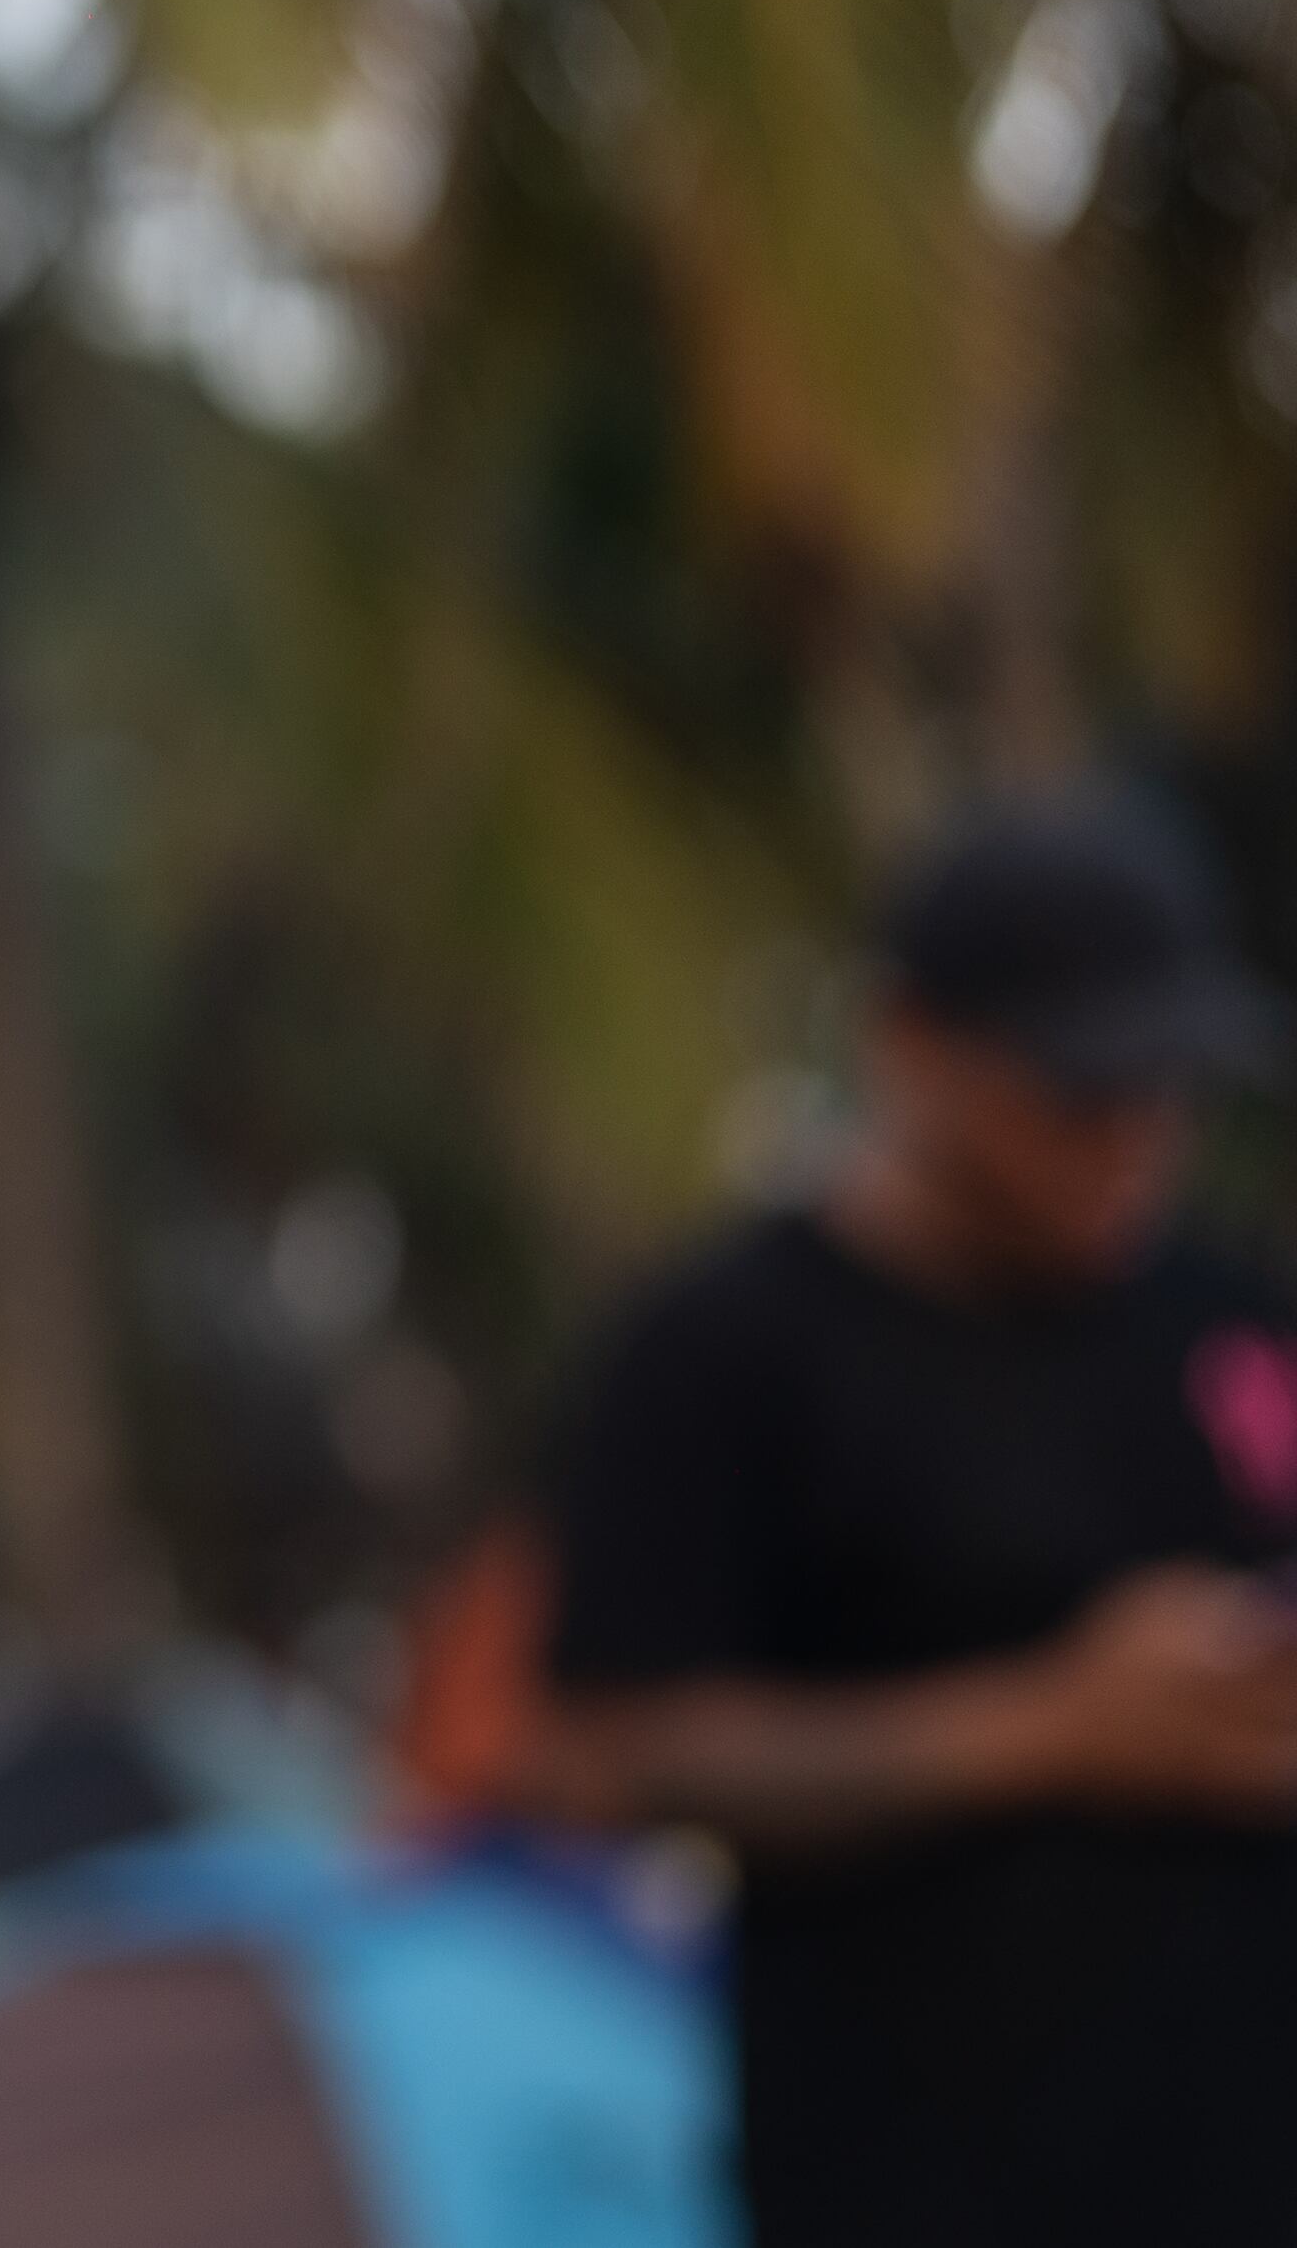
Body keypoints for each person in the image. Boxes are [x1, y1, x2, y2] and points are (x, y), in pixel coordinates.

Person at [526, 800, 1297, 2247]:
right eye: (1080, 1090)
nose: (1137, 1137)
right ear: (911, 1045)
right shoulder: (727, 1352)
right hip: (915, 2178)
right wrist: (1049, 1725)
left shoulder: (1229, 1317)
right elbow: (596, 1756)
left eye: (1173, 1087)